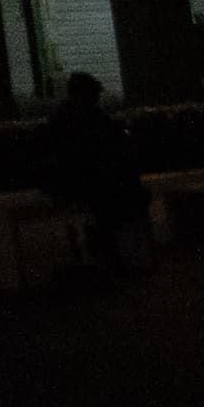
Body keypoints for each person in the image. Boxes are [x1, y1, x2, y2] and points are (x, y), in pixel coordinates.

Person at [38, 72, 149, 271]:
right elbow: (67, 160)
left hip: (96, 179)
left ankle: (124, 256)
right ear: (80, 95)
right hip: (80, 182)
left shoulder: (92, 117)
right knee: (115, 198)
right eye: (91, 96)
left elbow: (117, 144)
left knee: (123, 195)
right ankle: (122, 257)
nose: (95, 101)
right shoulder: (65, 122)